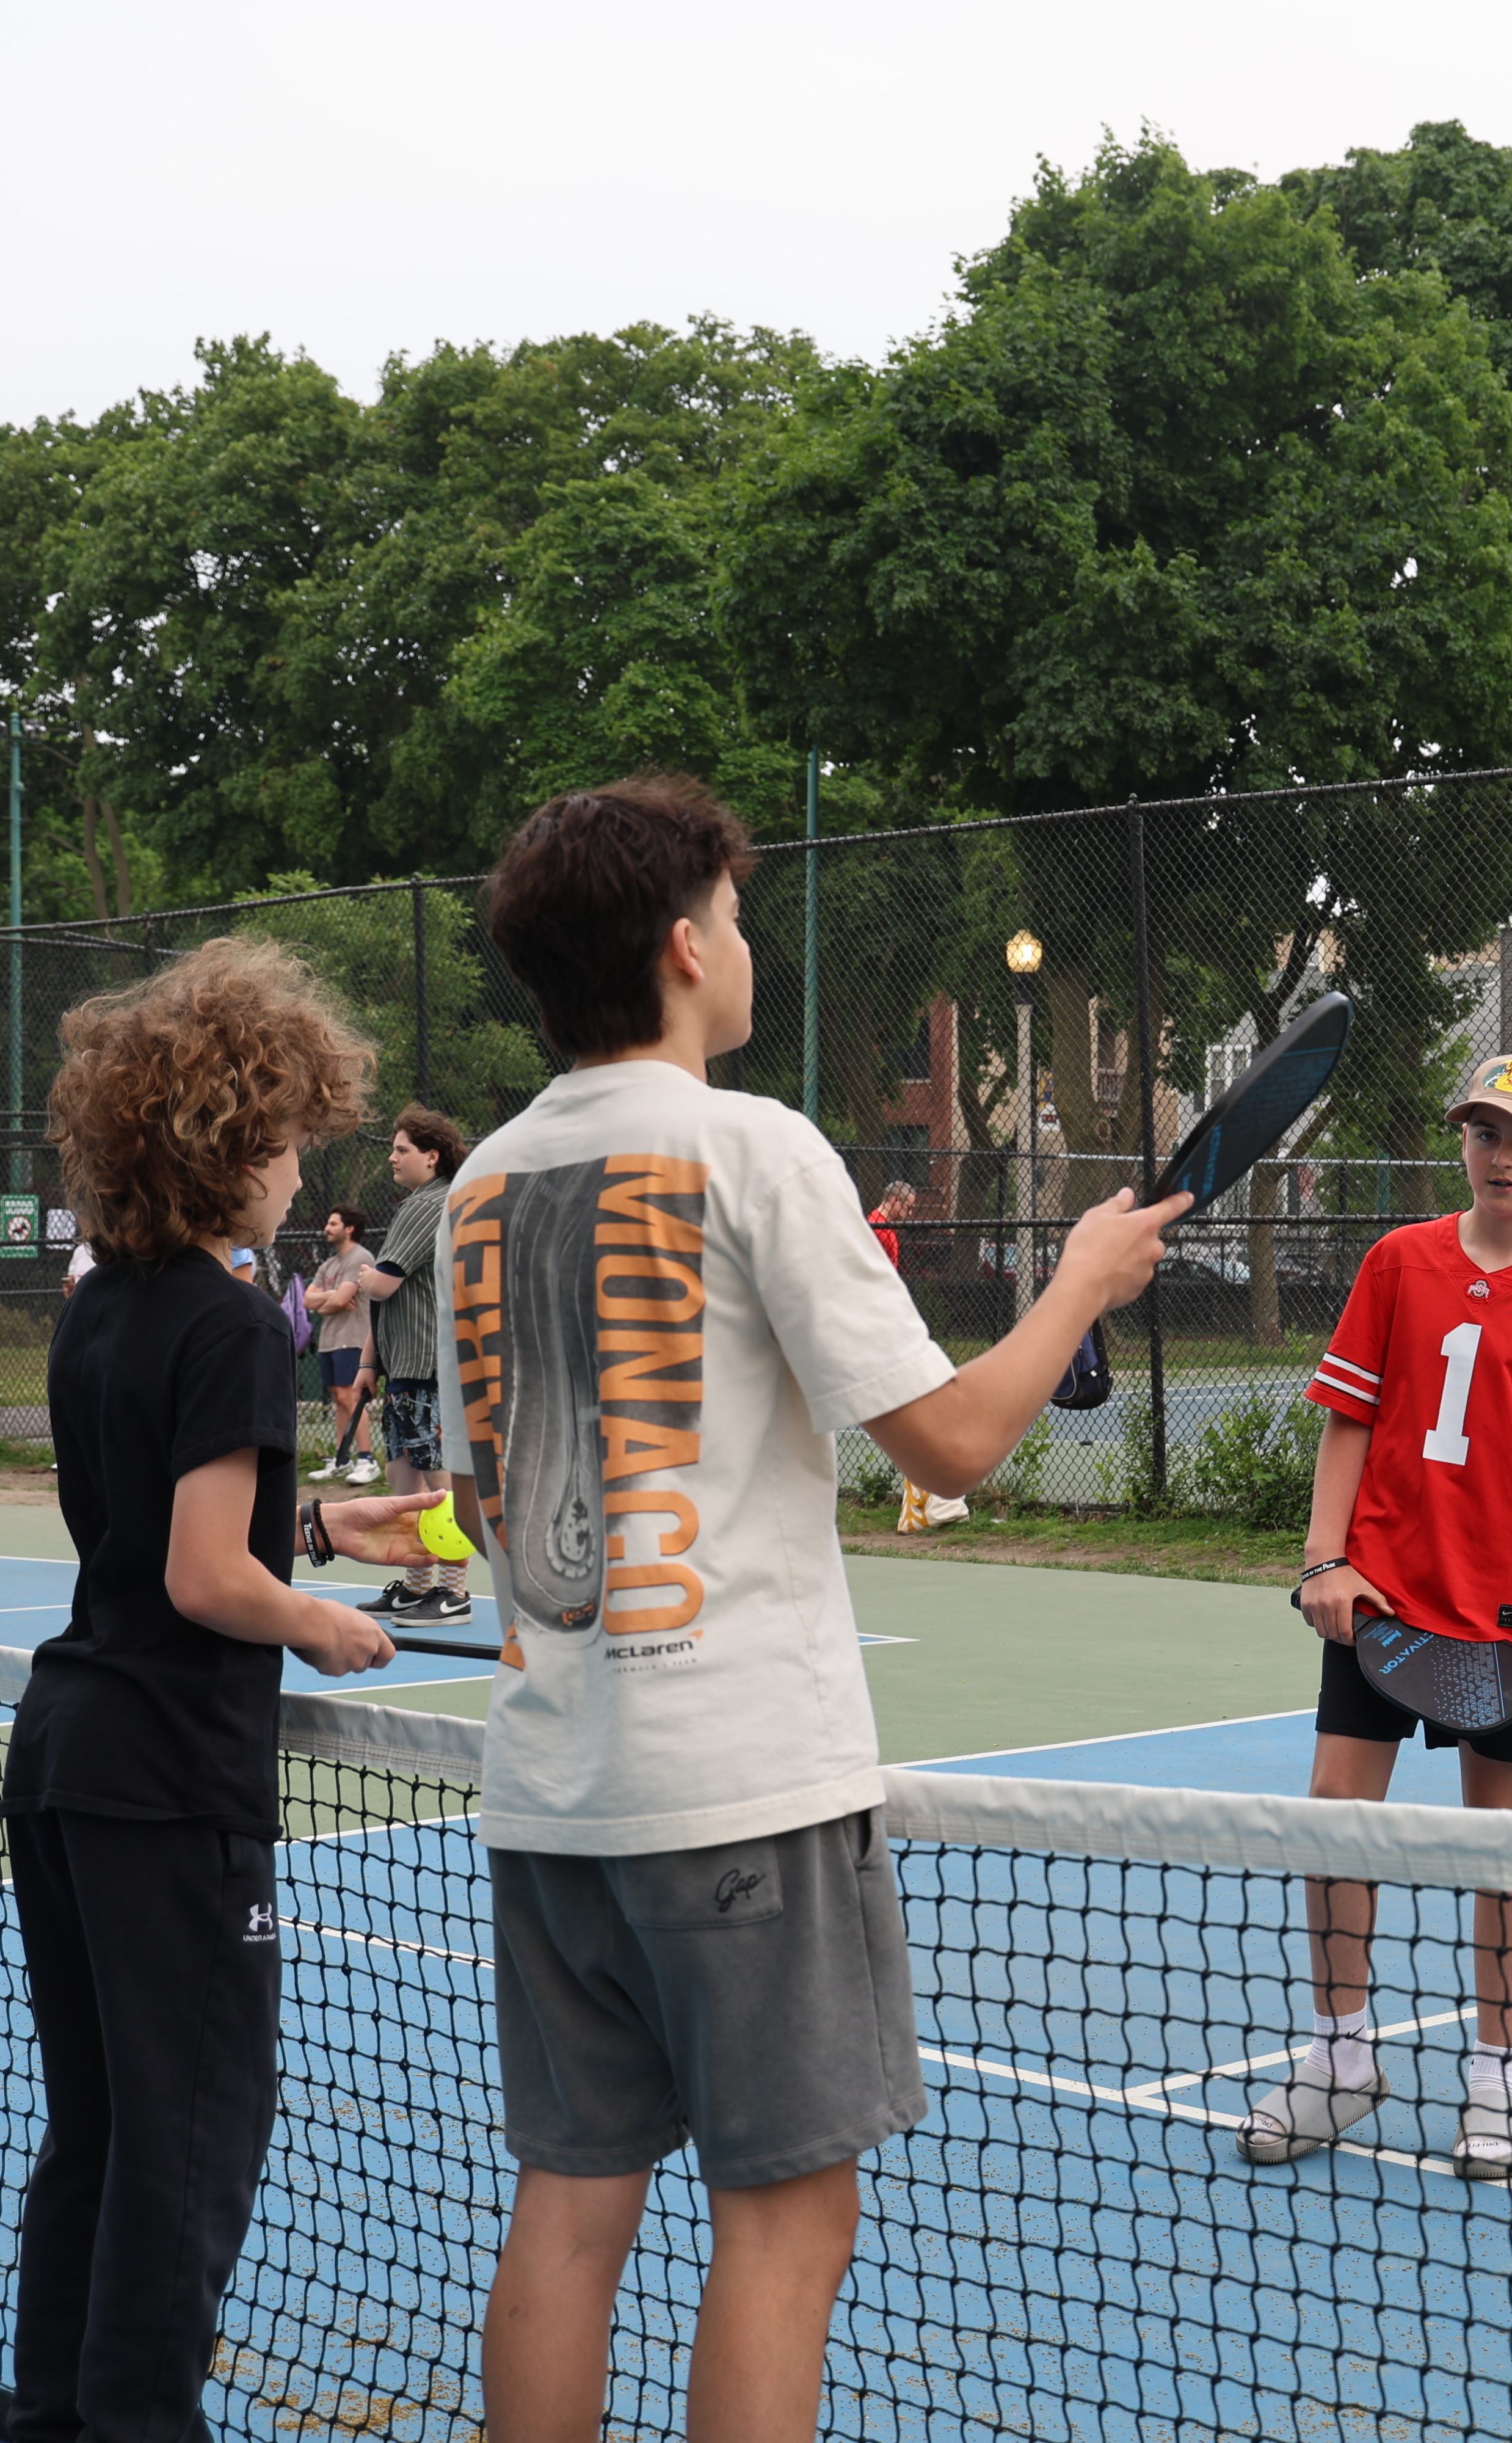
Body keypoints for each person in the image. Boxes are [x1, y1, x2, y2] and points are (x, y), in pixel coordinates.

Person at [447, 775, 1181, 2443]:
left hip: (550, 1797)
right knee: (785, 2232)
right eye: (740, 914)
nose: (750, 943)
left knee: (570, 2213)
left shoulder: (482, 1182)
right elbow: (956, 1444)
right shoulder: (756, 1148)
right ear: (685, 946)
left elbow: (489, 1499)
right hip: (741, 1792)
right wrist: (1078, 1279)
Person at [9, 934, 442, 2443]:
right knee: (190, 2142)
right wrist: (315, 1618)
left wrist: (318, 1524)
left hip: (64, 1748)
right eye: (287, 1134)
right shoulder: (234, 1323)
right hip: (164, 1775)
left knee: (100, 2128)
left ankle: (58, 2419)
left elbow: (156, 1517)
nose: (296, 1162)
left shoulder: (102, 1306)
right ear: (228, 1143)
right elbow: (204, 1580)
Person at [1240, 1050, 1512, 2183]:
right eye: (1484, 1132)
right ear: (1461, 1142)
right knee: (1333, 1816)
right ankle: (1337, 2061)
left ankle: (1495, 2085)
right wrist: (1327, 1559)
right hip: (1381, 1607)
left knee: (1501, 1840)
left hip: (1511, 1624)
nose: (1501, 1155)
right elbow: (1348, 1424)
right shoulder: (1398, 1264)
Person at [351, 1106, 474, 1626]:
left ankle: (456, 1591)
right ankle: (416, 1584)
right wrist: (368, 1363)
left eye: (402, 1149)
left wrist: (358, 1277)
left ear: (432, 1156)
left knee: (438, 1482)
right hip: (403, 1367)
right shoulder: (416, 1204)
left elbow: (382, 1284)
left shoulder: (431, 1204)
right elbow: (387, 1302)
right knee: (405, 1482)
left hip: (428, 1367)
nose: (393, 1156)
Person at [865, 1181, 971, 1532]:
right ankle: (929, 1502)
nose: (910, 1213)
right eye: (907, 1207)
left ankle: (925, 1503)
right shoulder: (878, 1230)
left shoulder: (885, 1230)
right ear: (893, 1201)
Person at [303, 1203, 379, 1481]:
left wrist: (330, 1298)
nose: (327, 1228)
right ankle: (341, 1459)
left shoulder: (361, 1258)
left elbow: (334, 1300)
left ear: (349, 1229)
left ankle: (367, 1460)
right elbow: (308, 1300)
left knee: (352, 1397)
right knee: (339, 1399)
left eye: (333, 1224)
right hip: (330, 1340)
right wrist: (332, 1298)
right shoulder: (329, 1264)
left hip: (353, 1339)